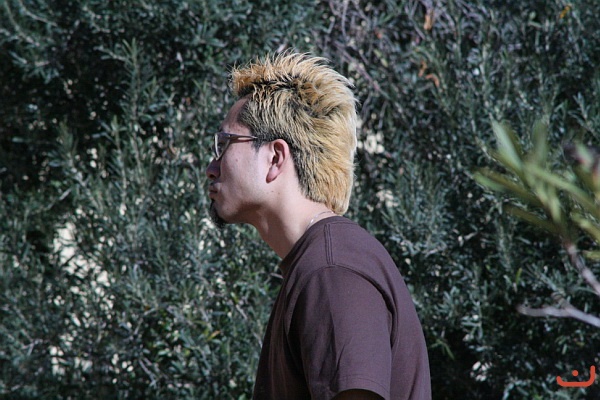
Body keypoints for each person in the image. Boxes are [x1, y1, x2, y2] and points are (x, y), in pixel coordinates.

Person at [205, 52, 431, 400]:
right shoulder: (320, 264)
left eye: (225, 144)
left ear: (275, 158)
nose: (211, 166)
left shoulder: (332, 270)